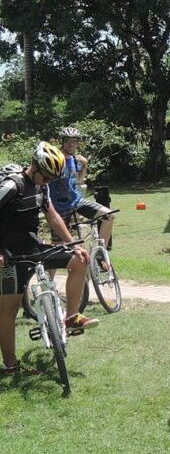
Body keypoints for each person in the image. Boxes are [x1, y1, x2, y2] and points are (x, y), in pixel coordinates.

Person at [0, 142, 97, 376]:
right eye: (45, 177)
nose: (48, 183)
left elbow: (53, 216)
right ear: (34, 166)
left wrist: (74, 244)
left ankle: (71, 317)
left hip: (34, 247)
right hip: (10, 255)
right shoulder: (12, 186)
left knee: (80, 261)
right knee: (7, 313)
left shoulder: (42, 188)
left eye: (52, 179)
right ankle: (11, 366)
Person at [49, 126, 116, 254]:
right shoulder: (55, 159)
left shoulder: (75, 159)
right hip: (59, 208)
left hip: (76, 201)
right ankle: (50, 275)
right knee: (58, 248)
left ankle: (100, 254)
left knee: (109, 215)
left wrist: (84, 165)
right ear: (62, 142)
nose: (72, 144)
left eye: (75, 141)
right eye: (68, 141)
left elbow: (79, 180)